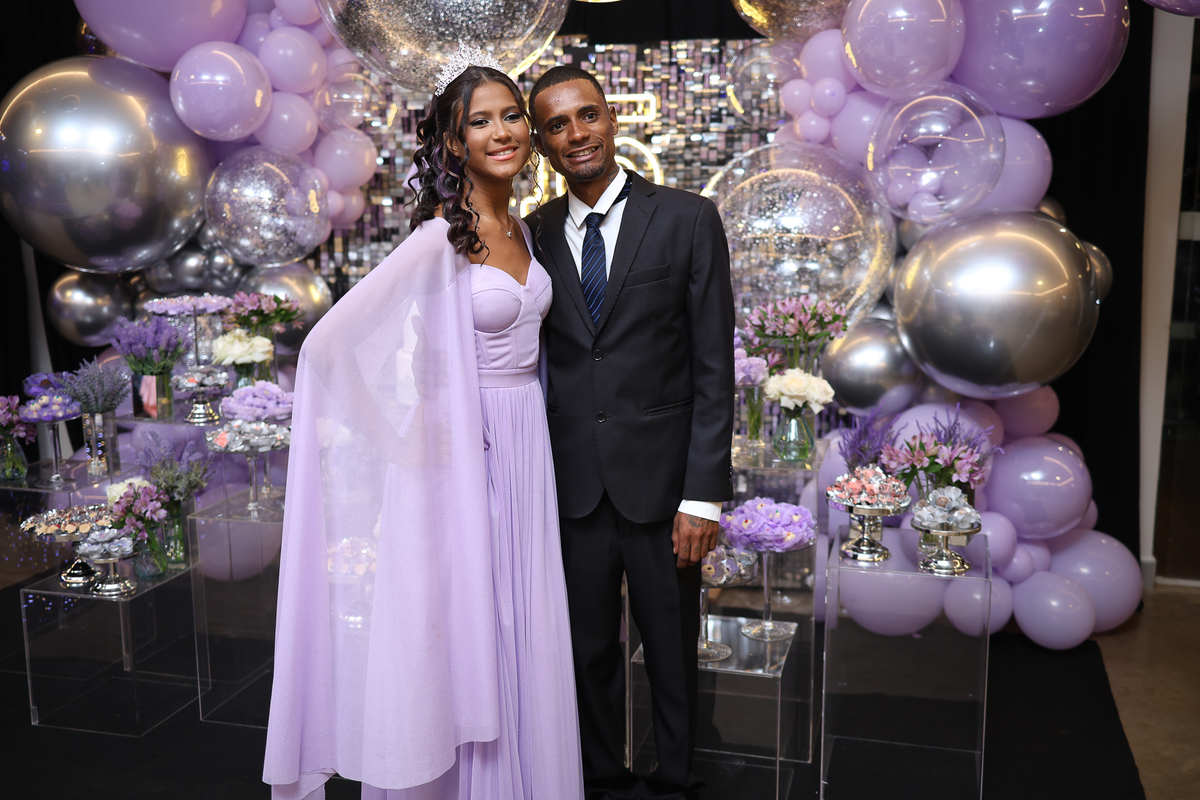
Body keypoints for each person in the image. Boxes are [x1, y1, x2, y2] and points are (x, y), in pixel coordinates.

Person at [263, 51, 584, 800]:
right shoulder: (441, 237)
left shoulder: (524, 230)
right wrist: (399, 441)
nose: (502, 132)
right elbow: (328, 350)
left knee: (521, 619)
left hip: (525, 441)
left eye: (512, 116)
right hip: (461, 456)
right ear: (453, 142)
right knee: (467, 624)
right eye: (481, 122)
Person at [525, 66, 736, 800]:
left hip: (664, 491)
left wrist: (702, 497)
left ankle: (676, 781)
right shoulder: (532, 234)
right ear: (541, 143)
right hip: (571, 488)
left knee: (672, 652)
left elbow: (713, 367)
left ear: (612, 119)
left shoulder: (686, 218)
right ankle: (600, 780)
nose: (576, 134)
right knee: (584, 652)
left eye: (587, 115)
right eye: (557, 125)